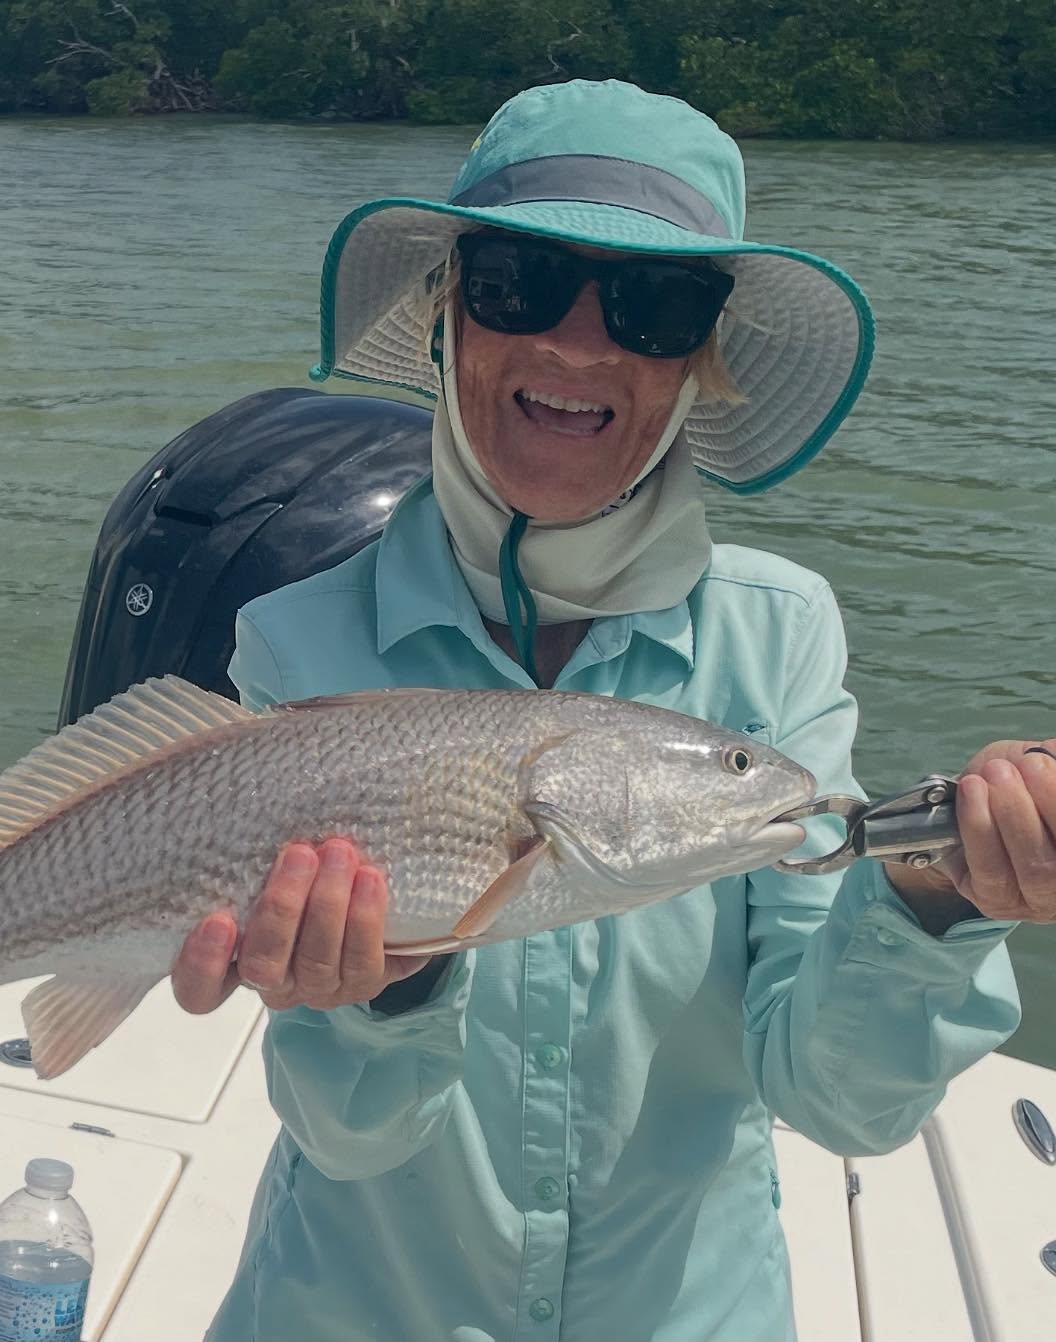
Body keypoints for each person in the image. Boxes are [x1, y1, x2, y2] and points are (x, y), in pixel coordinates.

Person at [170, 80, 1054, 1341]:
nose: (580, 346)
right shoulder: (297, 640)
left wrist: (938, 898)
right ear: (446, 318)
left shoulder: (780, 633)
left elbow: (842, 1104)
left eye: (654, 305)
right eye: (519, 282)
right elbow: (350, 1139)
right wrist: (386, 996)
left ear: (700, 363)